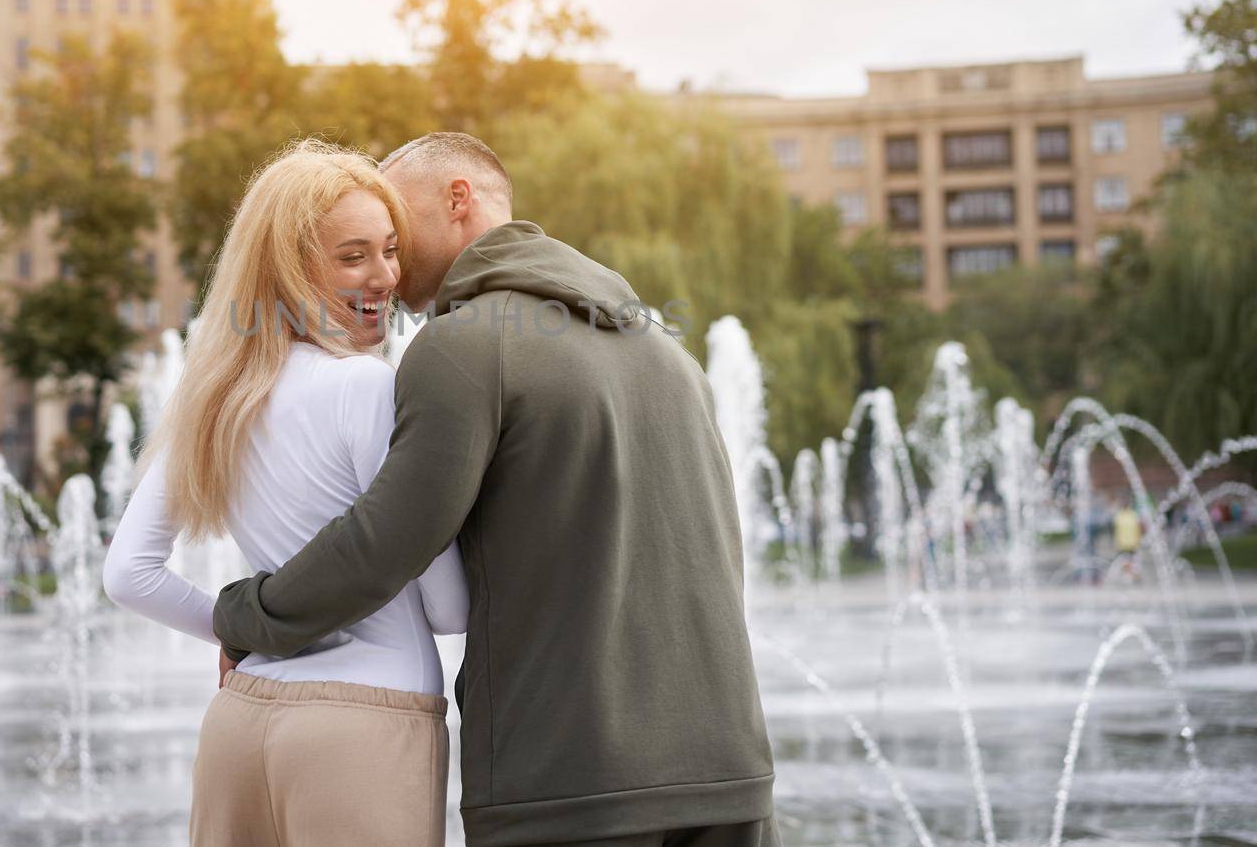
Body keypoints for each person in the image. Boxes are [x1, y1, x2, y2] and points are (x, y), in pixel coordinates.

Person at [214, 132, 780, 847]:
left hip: (572, 782)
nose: (388, 261)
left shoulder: (464, 346)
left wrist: (242, 614)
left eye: (396, 223)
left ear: (458, 199)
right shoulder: (665, 349)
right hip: (731, 770)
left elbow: (381, 545)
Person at [102, 139, 468, 847]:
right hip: (366, 726)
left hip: (239, 724)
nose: (387, 275)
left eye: (390, 249)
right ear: (290, 270)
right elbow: (449, 605)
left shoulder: (212, 395)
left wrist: (244, 628)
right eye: (353, 255)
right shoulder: (367, 387)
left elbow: (127, 573)